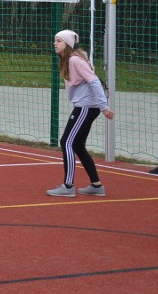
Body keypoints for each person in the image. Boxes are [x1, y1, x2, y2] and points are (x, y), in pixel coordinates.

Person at [46, 30, 115, 197]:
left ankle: (68, 186)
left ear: (67, 44)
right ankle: (96, 186)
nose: (55, 43)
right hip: (85, 106)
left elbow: (94, 81)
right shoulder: (70, 59)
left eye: (59, 41)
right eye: (55, 40)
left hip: (86, 107)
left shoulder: (75, 60)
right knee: (77, 145)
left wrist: (104, 106)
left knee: (66, 142)